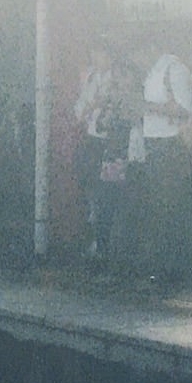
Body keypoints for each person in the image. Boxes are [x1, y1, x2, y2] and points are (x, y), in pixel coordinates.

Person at [132, 45, 192, 281]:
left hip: (171, 145)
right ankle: (163, 265)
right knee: (159, 207)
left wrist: (148, 108)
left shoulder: (173, 69)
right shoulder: (154, 71)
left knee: (169, 207)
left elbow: (184, 109)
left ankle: (174, 268)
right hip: (155, 144)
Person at [73, 44, 118, 258]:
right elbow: (81, 107)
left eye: (100, 53)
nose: (96, 58)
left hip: (111, 143)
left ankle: (104, 245)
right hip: (92, 138)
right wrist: (85, 110)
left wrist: (93, 106)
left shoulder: (117, 78)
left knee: (107, 191)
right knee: (89, 184)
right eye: (94, 53)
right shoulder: (90, 77)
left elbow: (106, 103)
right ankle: (94, 237)